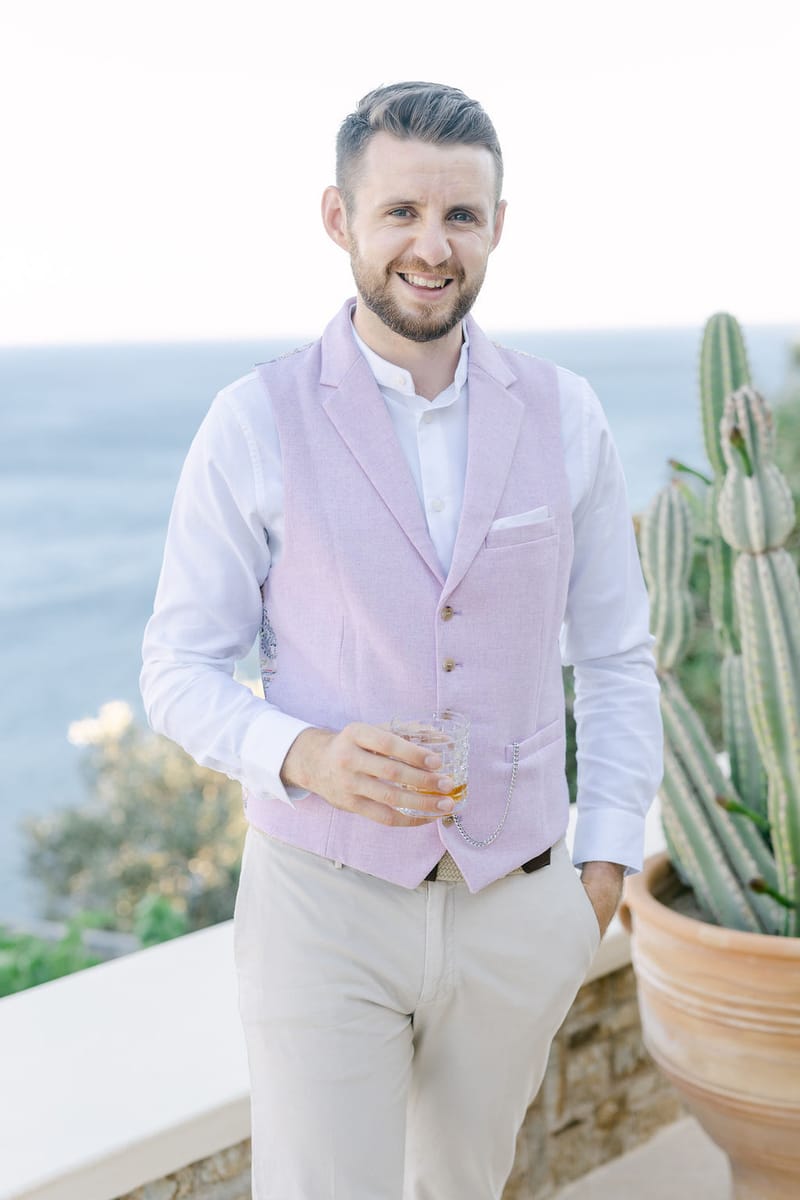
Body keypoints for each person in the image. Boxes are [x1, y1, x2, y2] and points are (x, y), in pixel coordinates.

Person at [141, 81, 662, 1200]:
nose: (430, 247)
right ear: (340, 219)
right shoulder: (253, 420)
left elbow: (616, 656)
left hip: (514, 899)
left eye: (460, 217)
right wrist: (302, 755)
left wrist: (601, 871)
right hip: (322, 902)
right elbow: (177, 669)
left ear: (496, 227)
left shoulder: (564, 413)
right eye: (400, 215)